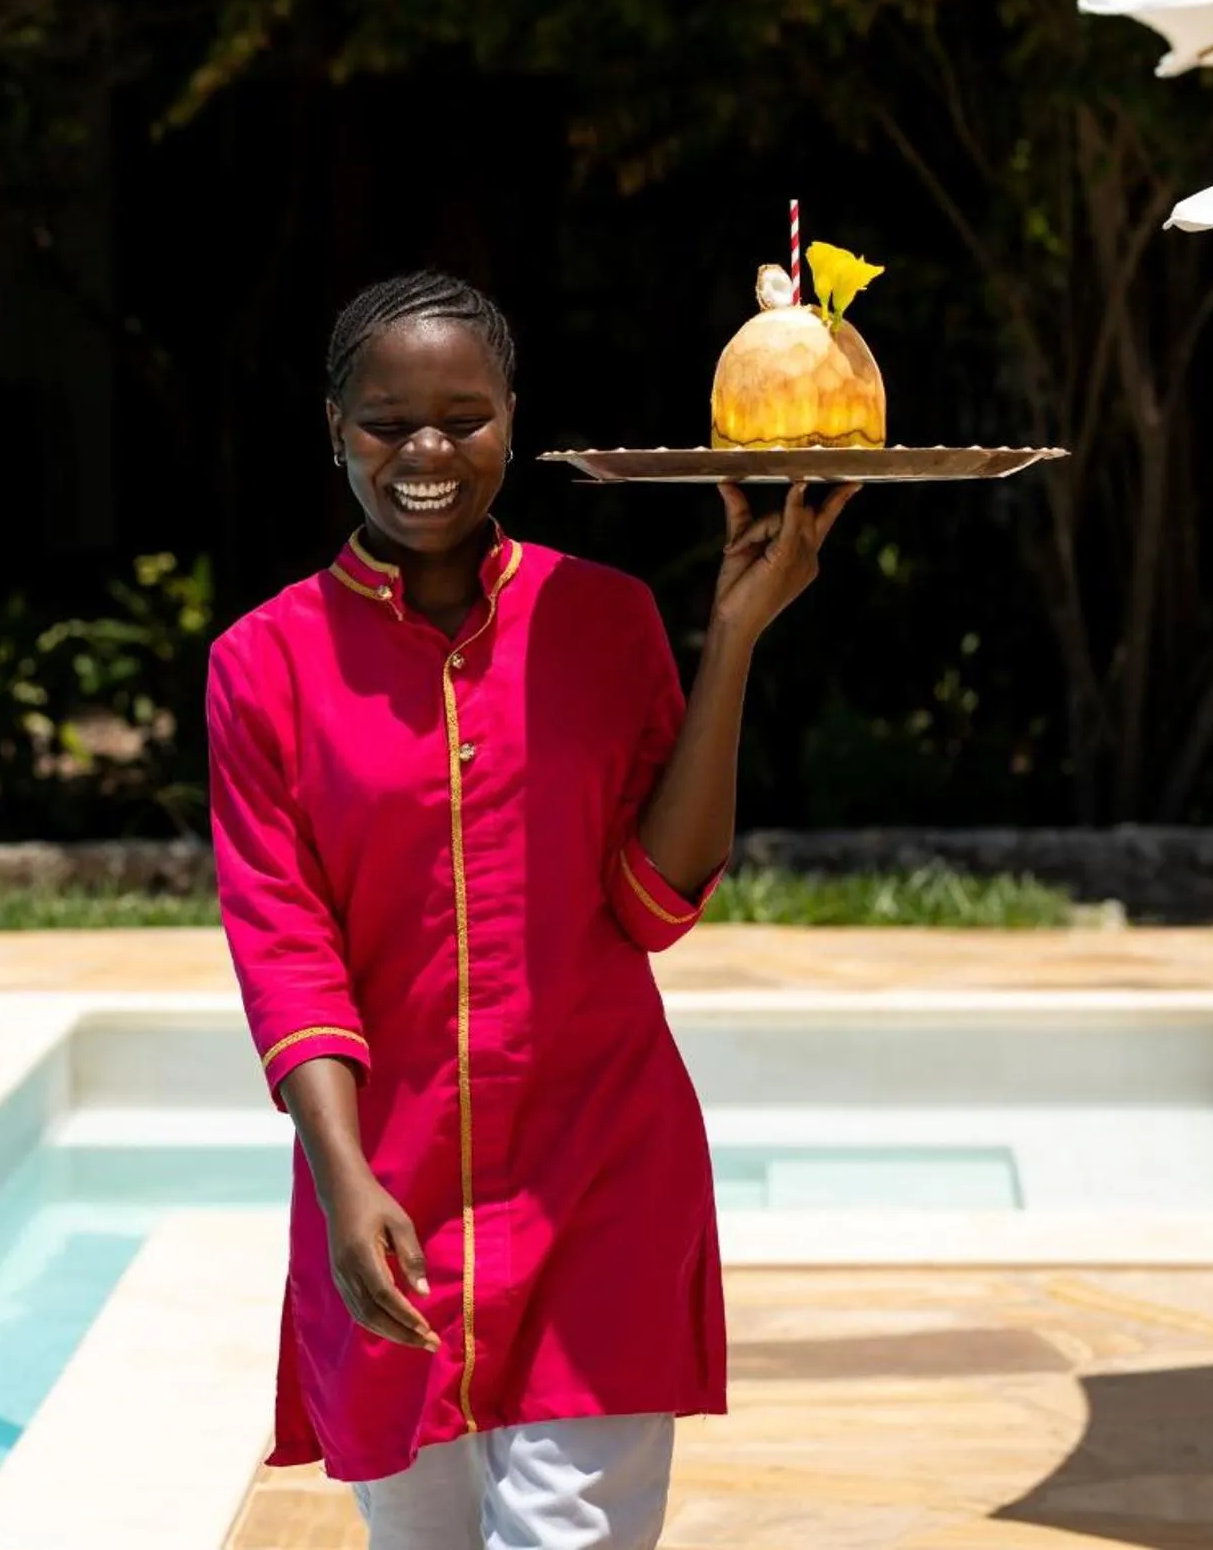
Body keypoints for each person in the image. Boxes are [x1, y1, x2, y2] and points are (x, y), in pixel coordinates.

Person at [206, 271, 854, 1550]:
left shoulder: (603, 622)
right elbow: (285, 950)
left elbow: (656, 902)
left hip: (602, 1179)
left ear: (513, 419)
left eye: (465, 418)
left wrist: (732, 640)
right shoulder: (262, 664)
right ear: (333, 429)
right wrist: (342, 1182)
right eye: (388, 423)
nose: (427, 453)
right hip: (389, 1198)